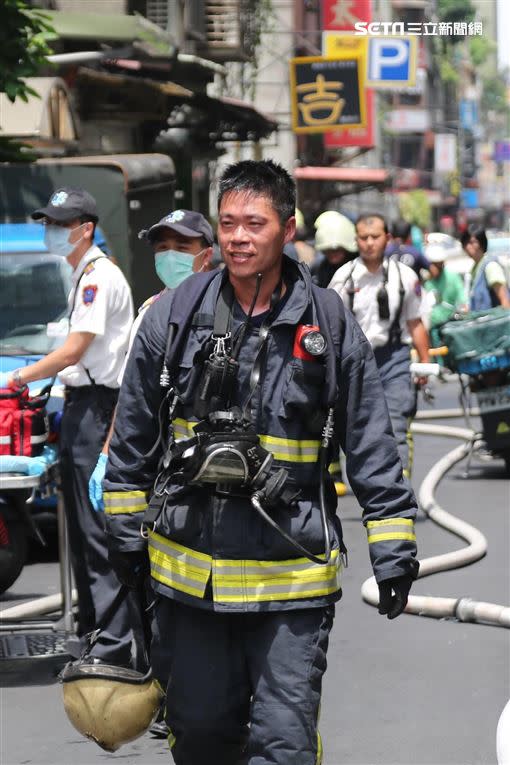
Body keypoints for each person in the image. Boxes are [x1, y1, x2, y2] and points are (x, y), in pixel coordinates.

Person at [102, 160, 419, 764]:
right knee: (198, 737)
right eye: (227, 224)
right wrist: (122, 530)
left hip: (292, 580)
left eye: (255, 223)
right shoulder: (173, 316)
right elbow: (134, 434)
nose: (238, 237)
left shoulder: (326, 322)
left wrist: (393, 545)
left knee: (283, 744)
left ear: (287, 228)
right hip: (190, 580)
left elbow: (370, 440)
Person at [6, 187, 143, 668]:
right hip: (82, 405)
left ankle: (115, 643)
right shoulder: (81, 273)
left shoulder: (97, 279)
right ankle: (96, 631)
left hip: (100, 408)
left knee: (97, 530)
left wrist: (18, 376)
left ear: (84, 228)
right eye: (48, 222)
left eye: (59, 224)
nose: (52, 232)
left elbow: (74, 350)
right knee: (83, 532)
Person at [88, 209, 214, 512]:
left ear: (206, 256)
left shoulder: (224, 312)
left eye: (182, 248)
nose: (170, 256)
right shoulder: (150, 311)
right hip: (160, 460)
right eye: (162, 248)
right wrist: (107, 455)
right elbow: (131, 395)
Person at [329, 213, 430, 479]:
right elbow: (330, 329)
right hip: (354, 361)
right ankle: (365, 481)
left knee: (396, 423)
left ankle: (400, 487)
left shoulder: (405, 277)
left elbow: (416, 323)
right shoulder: (344, 278)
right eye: (364, 237)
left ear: (387, 238)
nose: (370, 243)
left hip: (394, 358)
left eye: (375, 237)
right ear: (356, 241)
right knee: (355, 425)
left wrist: (426, 363)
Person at [422, 241, 467, 347]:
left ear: (442, 263)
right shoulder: (426, 282)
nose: (433, 267)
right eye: (431, 264)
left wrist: (463, 308)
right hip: (432, 329)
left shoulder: (452, 277)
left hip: (451, 326)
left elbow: (462, 299)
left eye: (436, 264)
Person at [460, 225, 510, 310]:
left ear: (481, 242)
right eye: (465, 243)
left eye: (472, 242)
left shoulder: (490, 266)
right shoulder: (474, 269)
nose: (468, 247)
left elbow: (505, 301)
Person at [311, 210, 357, 287]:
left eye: (336, 250)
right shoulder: (322, 268)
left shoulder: (358, 268)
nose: (332, 254)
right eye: (327, 250)